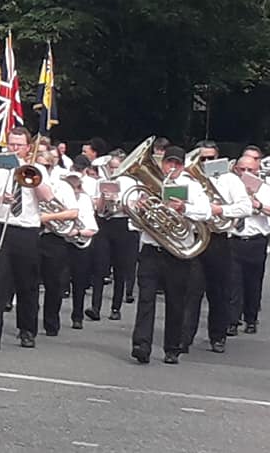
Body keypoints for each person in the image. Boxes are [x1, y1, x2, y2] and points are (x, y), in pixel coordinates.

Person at [130, 146, 210, 365]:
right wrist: (140, 209)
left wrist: (183, 208)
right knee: (145, 299)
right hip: (150, 249)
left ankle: (172, 347)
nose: (172, 168)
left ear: (182, 166)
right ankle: (141, 345)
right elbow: (132, 222)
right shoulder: (148, 185)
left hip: (176, 251)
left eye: (176, 164)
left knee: (176, 301)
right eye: (168, 163)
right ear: (162, 163)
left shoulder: (191, 186)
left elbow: (206, 211)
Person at [0, 127, 54, 351]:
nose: (13, 148)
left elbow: (48, 197)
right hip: (1, 227)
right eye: (11, 144)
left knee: (28, 284)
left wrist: (31, 175)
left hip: (26, 230)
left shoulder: (38, 168)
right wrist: (2, 198)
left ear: (27, 148)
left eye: (18, 145)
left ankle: (27, 331)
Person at [181, 141, 251, 353]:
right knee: (191, 291)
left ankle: (217, 335)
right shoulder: (188, 179)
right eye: (202, 158)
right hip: (194, 238)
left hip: (219, 239)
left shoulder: (230, 179)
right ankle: (184, 338)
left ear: (217, 158)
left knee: (219, 292)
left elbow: (245, 206)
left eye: (210, 158)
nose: (206, 162)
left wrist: (219, 209)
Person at [36, 152, 79, 336]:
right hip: (32, 235)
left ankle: (51, 322)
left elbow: (73, 213)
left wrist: (48, 217)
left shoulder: (62, 186)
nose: (41, 170)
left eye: (45, 166)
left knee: (54, 284)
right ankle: (28, 326)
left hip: (53, 238)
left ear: (52, 167)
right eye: (37, 165)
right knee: (28, 282)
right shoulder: (23, 183)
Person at [93, 153, 140, 320]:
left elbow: (134, 208)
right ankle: (95, 307)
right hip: (104, 224)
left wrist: (118, 203)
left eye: (116, 167)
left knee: (120, 268)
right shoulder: (101, 181)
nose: (113, 170)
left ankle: (116, 307)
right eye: (110, 167)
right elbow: (98, 209)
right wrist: (104, 200)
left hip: (123, 225)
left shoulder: (132, 183)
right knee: (99, 266)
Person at [229, 155, 270, 334]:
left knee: (253, 282)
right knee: (233, 282)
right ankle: (232, 319)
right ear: (236, 169)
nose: (245, 173)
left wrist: (257, 204)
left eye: (250, 170)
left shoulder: (264, 189)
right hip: (234, 238)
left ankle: (251, 318)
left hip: (256, 240)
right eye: (242, 170)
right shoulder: (228, 187)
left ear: (257, 171)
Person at [63, 172, 100, 330]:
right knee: (58, 281)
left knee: (79, 282)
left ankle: (77, 316)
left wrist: (77, 232)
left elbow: (92, 229)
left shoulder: (85, 200)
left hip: (80, 243)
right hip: (62, 242)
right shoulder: (60, 198)